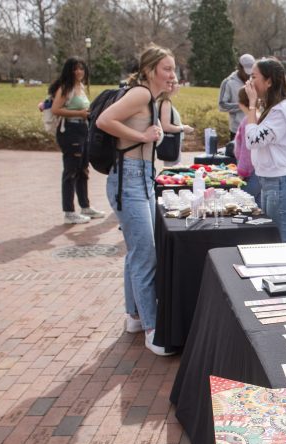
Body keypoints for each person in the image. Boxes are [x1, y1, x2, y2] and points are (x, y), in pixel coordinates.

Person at [96, 45, 176, 356]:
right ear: (150, 70)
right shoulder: (141, 94)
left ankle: (134, 315)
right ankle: (152, 329)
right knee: (146, 254)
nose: (172, 75)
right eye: (167, 69)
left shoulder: (149, 98)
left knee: (136, 252)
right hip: (128, 179)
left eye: (173, 69)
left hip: (139, 178)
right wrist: (143, 138)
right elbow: (105, 120)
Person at [240, 58, 286, 243]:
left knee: (281, 245)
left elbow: (253, 140)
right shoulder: (275, 108)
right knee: (272, 242)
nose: (249, 82)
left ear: (269, 81)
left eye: (254, 77)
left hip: (280, 184)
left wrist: (251, 105)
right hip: (271, 182)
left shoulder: (282, 111)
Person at [49, 57, 105, 224]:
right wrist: (79, 114)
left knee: (83, 169)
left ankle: (85, 206)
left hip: (83, 129)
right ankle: (69, 211)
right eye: (75, 69)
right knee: (71, 171)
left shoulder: (80, 86)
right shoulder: (65, 88)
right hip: (70, 131)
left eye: (81, 68)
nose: (79, 72)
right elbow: (55, 109)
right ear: (69, 70)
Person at [157, 77, 194, 167]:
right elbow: (165, 126)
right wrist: (183, 128)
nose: (179, 86)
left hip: (174, 143)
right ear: (170, 86)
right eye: (176, 83)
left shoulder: (165, 101)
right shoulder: (166, 102)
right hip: (171, 144)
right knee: (172, 170)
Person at [219, 53, 255, 141]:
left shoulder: (255, 79)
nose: (248, 75)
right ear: (239, 67)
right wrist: (243, 105)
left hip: (255, 129)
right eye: (246, 71)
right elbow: (222, 105)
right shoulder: (228, 82)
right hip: (237, 130)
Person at [233, 89, 260, 200]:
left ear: (240, 103)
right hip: (259, 170)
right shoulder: (259, 116)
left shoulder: (248, 120)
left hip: (251, 173)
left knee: (246, 207)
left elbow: (247, 150)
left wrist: (242, 173)